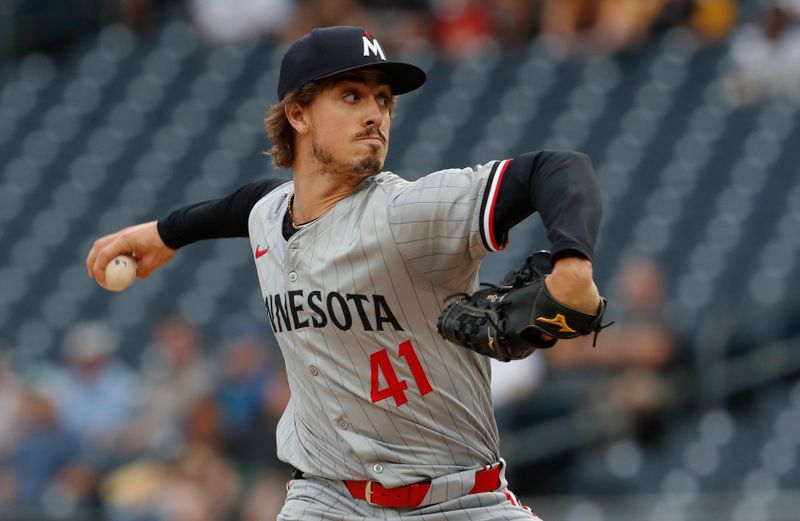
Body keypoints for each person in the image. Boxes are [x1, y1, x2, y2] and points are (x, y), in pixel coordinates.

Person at [87, 26, 603, 520]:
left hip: (460, 500)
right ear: (298, 114)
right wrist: (165, 233)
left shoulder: (408, 213)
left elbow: (557, 168)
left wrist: (572, 262)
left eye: (383, 99)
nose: (376, 113)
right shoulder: (271, 213)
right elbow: (242, 204)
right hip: (324, 500)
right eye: (352, 95)